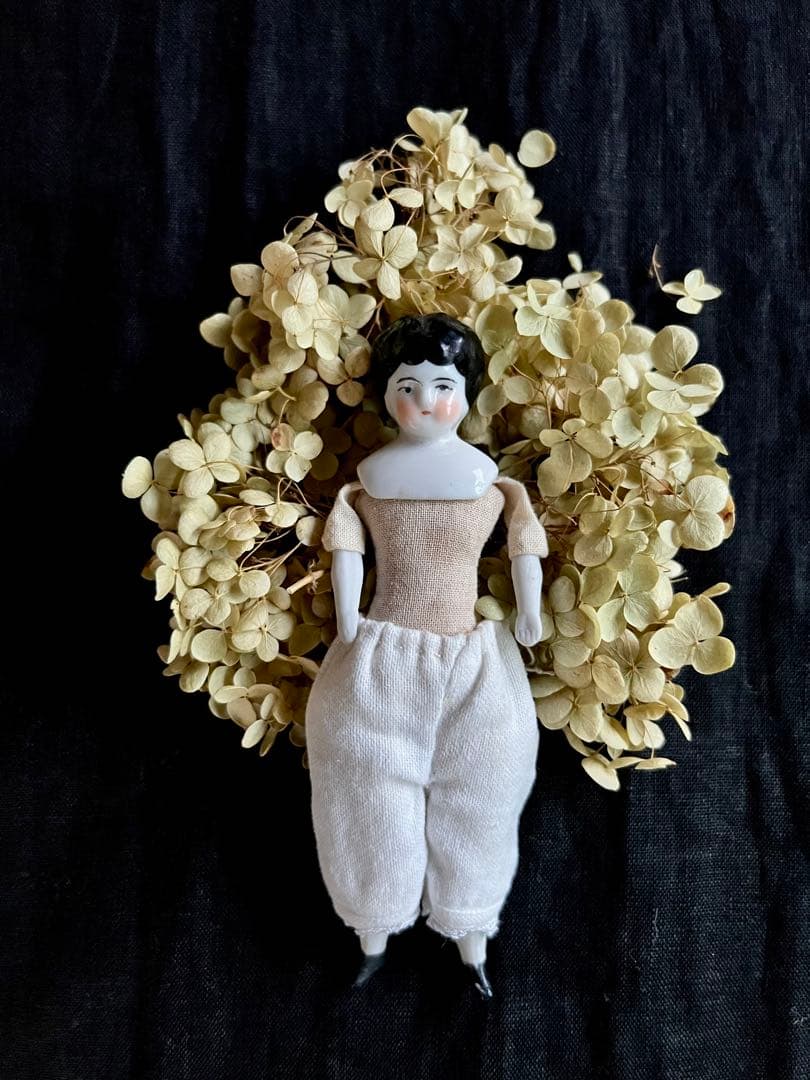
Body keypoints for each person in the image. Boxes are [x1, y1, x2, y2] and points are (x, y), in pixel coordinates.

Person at [305, 313, 548, 999]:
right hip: (379, 656)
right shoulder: (370, 480)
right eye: (406, 387)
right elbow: (347, 549)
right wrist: (347, 614)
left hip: (473, 661)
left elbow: (524, 543)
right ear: (386, 397)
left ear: (467, 395)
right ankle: (372, 926)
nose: (424, 402)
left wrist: (530, 611)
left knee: (487, 784)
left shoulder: (486, 480)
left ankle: (472, 928)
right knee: (364, 784)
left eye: (442, 386)